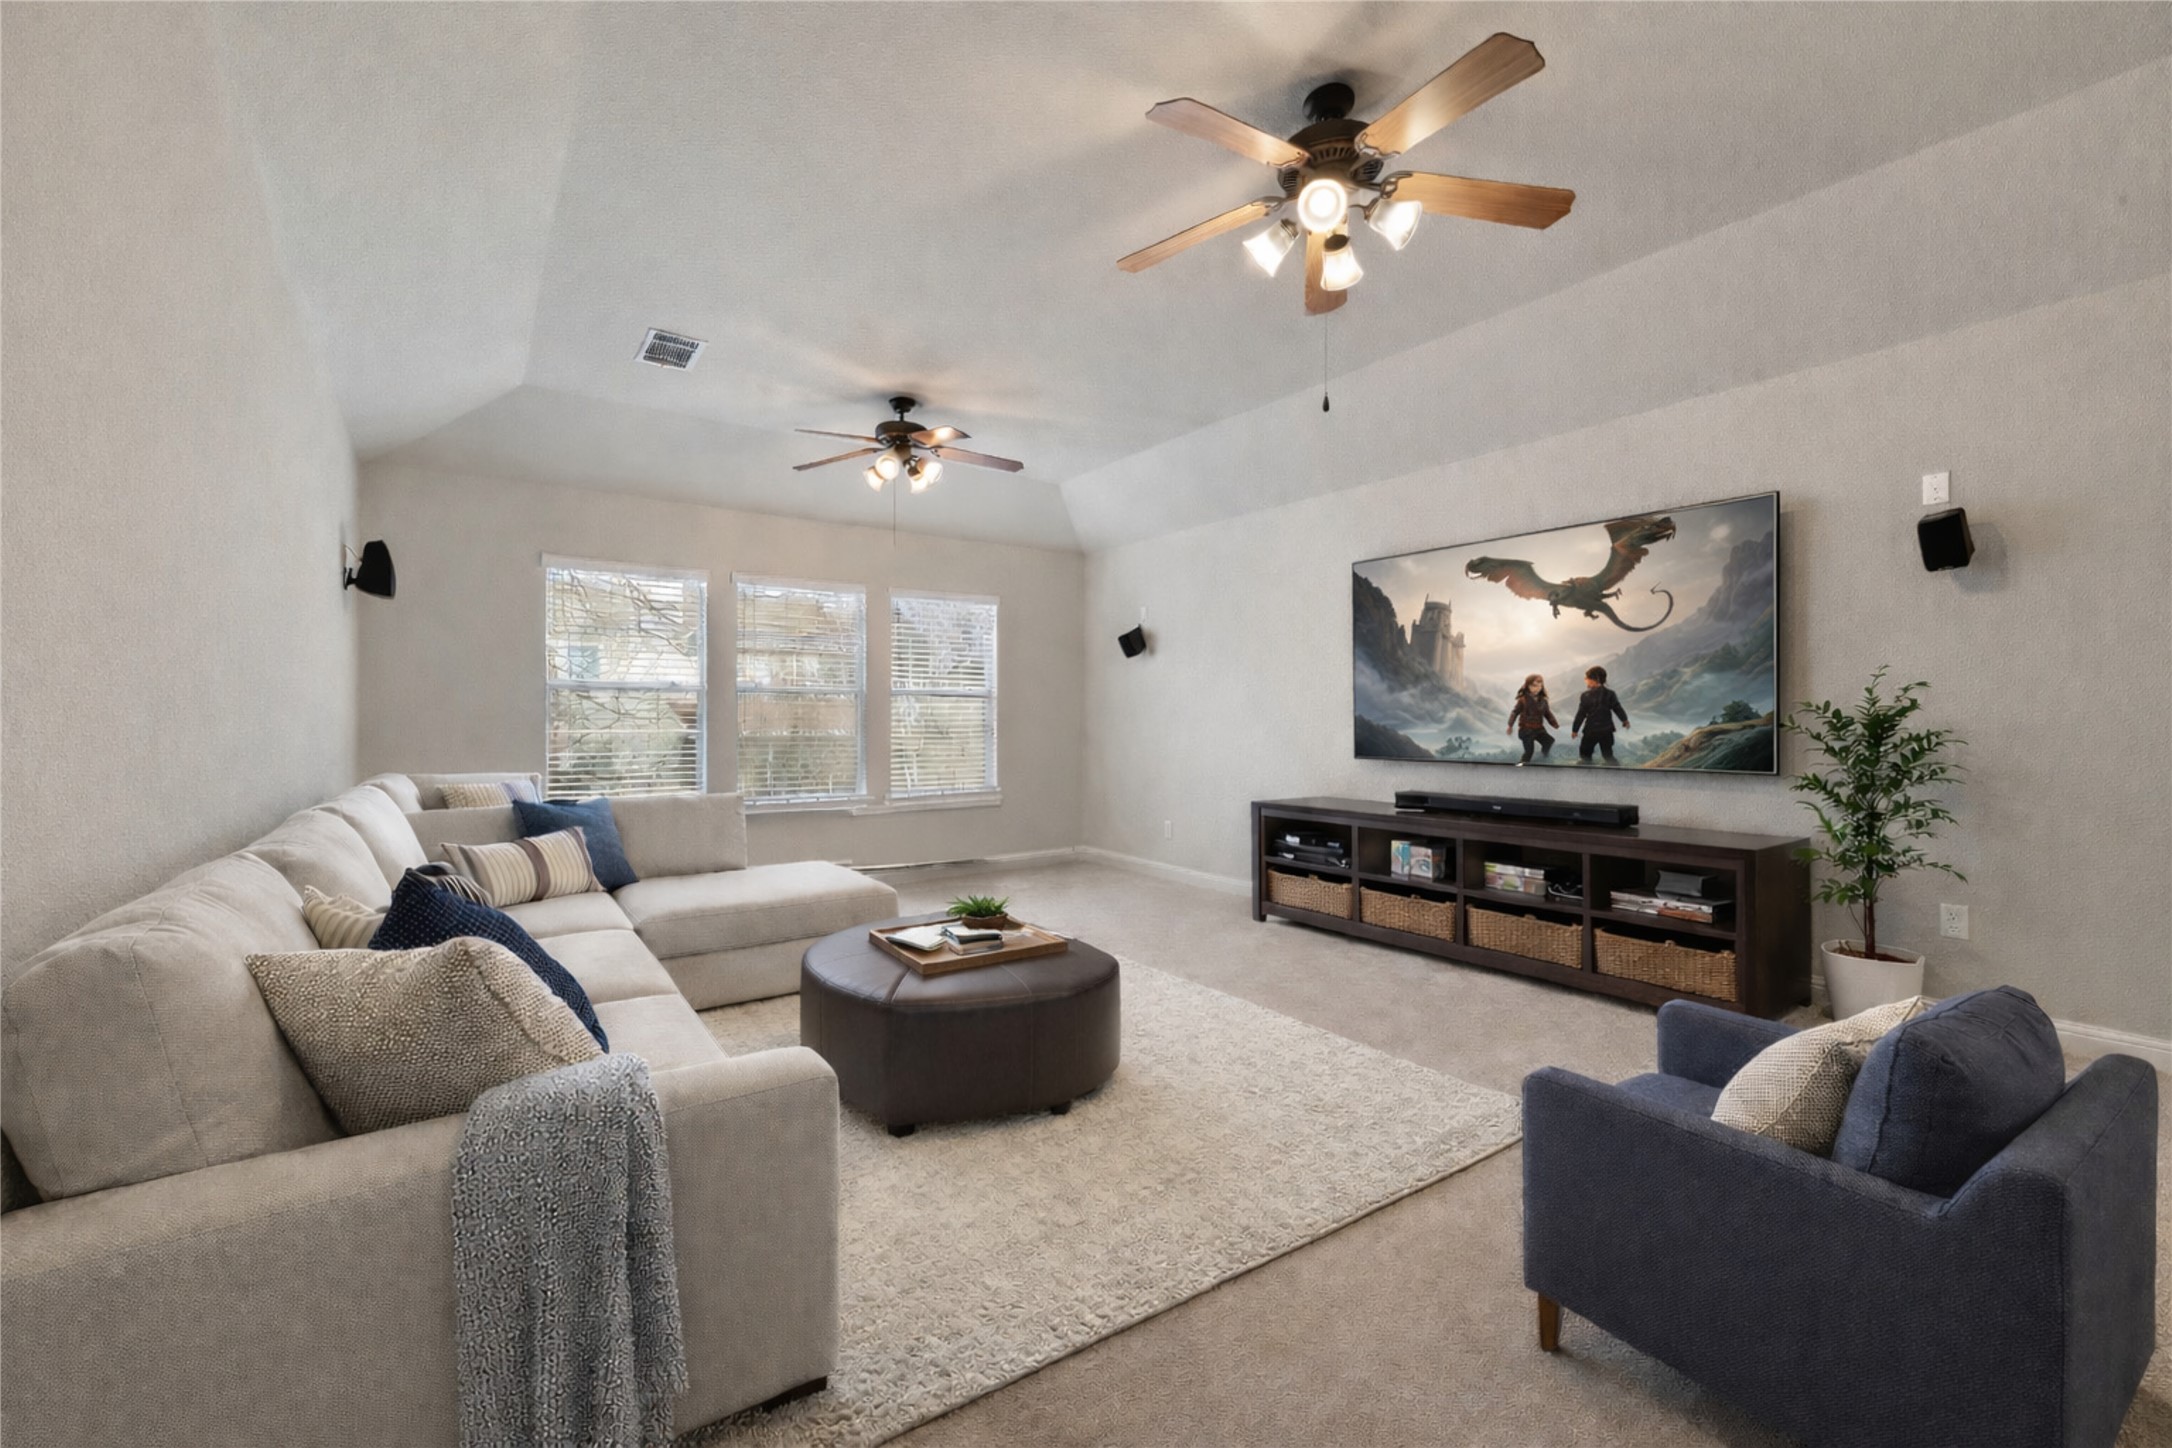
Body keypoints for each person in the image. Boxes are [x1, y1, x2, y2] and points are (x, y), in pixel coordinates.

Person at [1572, 665, 1631, 765]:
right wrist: (1624, 720)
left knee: (1585, 754)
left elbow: (1581, 714)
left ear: (1594, 679)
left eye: (1587, 678)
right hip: (1606, 730)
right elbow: (1618, 708)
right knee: (1608, 754)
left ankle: (1586, 769)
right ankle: (1615, 768)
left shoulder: (1585, 695)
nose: (1585, 680)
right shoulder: (1610, 694)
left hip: (1591, 730)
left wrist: (1575, 729)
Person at [1505, 673, 1559, 765]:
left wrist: (1554, 723)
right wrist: (1510, 725)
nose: (1537, 688)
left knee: (1549, 741)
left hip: (1539, 729)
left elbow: (1547, 713)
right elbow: (1515, 712)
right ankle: (1521, 766)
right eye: (1534, 686)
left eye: (1540, 686)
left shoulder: (1543, 701)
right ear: (1527, 686)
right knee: (1529, 752)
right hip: (1526, 730)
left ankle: (1543, 758)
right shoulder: (1523, 700)